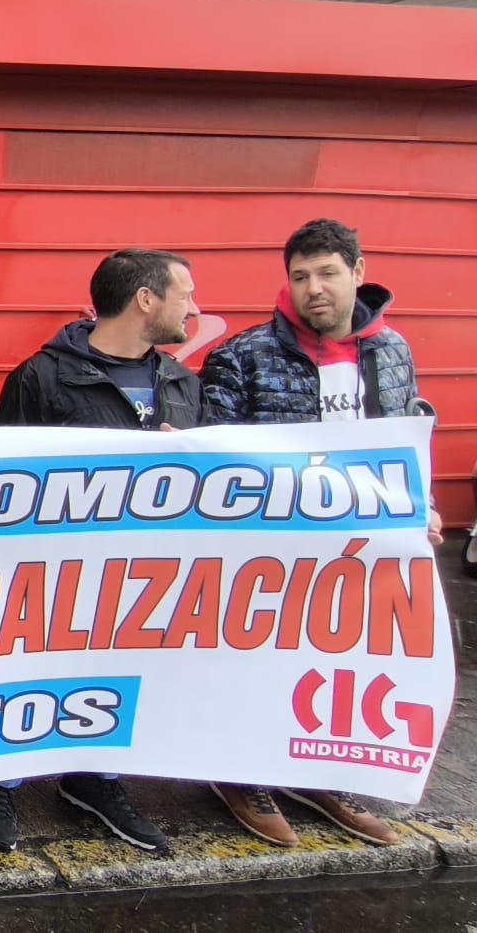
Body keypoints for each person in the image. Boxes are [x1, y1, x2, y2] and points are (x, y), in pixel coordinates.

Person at [201, 218, 440, 848]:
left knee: (335, 660)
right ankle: (240, 772)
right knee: (255, 658)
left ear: (359, 273)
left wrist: (423, 506)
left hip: (360, 545)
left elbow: (408, 436)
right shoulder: (241, 354)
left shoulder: (391, 351)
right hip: (272, 546)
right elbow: (219, 453)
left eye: (328, 273)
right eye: (301, 276)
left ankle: (316, 772)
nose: (314, 288)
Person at [0, 248, 201, 856]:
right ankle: (0, 779)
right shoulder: (41, 377)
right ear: (145, 299)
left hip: (145, 573)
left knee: (116, 674)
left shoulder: (183, 383)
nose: (195, 307)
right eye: (185, 293)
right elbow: (5, 481)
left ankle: (94, 778)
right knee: (26, 672)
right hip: (51, 573)